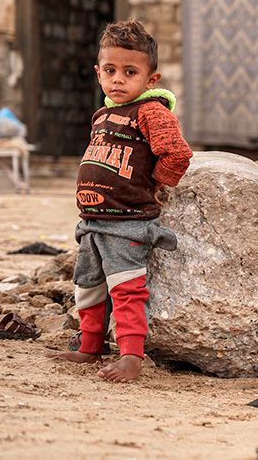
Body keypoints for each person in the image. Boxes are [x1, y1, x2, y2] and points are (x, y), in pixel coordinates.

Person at [58, 19, 193, 382]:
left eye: (130, 72)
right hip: (92, 222)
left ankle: (131, 356)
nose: (118, 80)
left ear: (151, 79)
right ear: (98, 72)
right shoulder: (103, 114)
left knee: (127, 288)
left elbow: (177, 153)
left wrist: (155, 184)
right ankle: (90, 345)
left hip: (128, 222)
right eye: (110, 71)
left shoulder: (150, 112)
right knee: (88, 285)